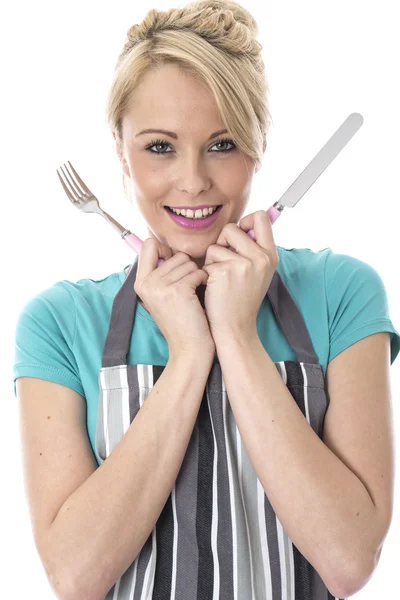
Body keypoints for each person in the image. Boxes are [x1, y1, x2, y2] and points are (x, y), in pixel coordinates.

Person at [13, 1, 400, 599]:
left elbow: (349, 559)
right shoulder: (58, 323)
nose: (193, 181)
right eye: (160, 148)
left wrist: (238, 337)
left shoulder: (343, 292)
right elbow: (75, 576)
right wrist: (192, 350)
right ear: (120, 150)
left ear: (259, 144)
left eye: (222, 144)